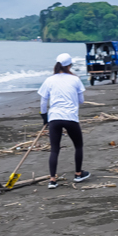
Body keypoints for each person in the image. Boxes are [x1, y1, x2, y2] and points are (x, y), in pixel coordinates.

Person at [38, 53, 90, 189]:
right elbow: (81, 101)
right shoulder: (75, 80)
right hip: (70, 117)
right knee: (78, 146)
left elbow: (43, 101)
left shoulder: (49, 80)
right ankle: (78, 174)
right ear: (69, 65)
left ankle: (52, 180)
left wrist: (44, 117)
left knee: (54, 149)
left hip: (54, 118)